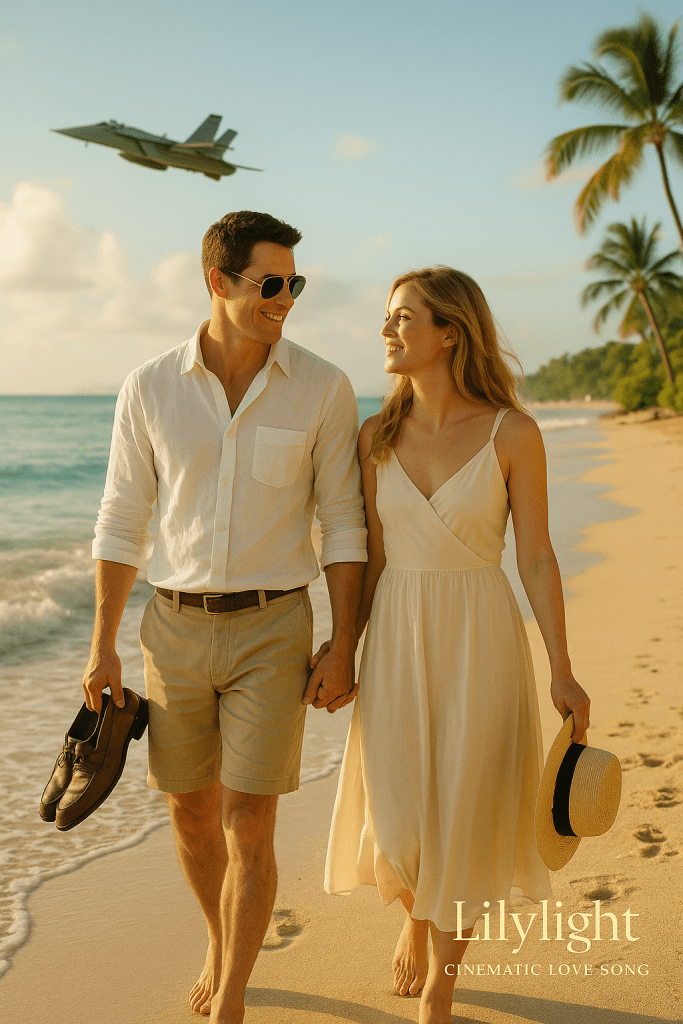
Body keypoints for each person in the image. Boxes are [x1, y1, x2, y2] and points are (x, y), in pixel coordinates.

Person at [82, 211, 366, 1024]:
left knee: (248, 819)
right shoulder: (149, 387)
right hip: (172, 628)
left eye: (293, 284)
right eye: (269, 283)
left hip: (274, 629)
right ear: (218, 280)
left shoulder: (322, 387)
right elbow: (121, 519)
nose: (285, 299)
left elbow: (344, 523)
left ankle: (234, 994)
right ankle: (218, 939)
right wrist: (102, 647)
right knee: (191, 811)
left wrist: (342, 643)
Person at [323, 266, 590, 1024]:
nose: (386, 329)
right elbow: (372, 557)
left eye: (403, 317)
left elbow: (536, 557)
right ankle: (417, 910)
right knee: (400, 814)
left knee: (466, 809)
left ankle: (442, 983)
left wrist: (562, 669)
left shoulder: (513, 433)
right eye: (388, 316)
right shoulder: (374, 436)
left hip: (481, 637)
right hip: (396, 638)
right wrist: (344, 649)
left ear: (450, 332)